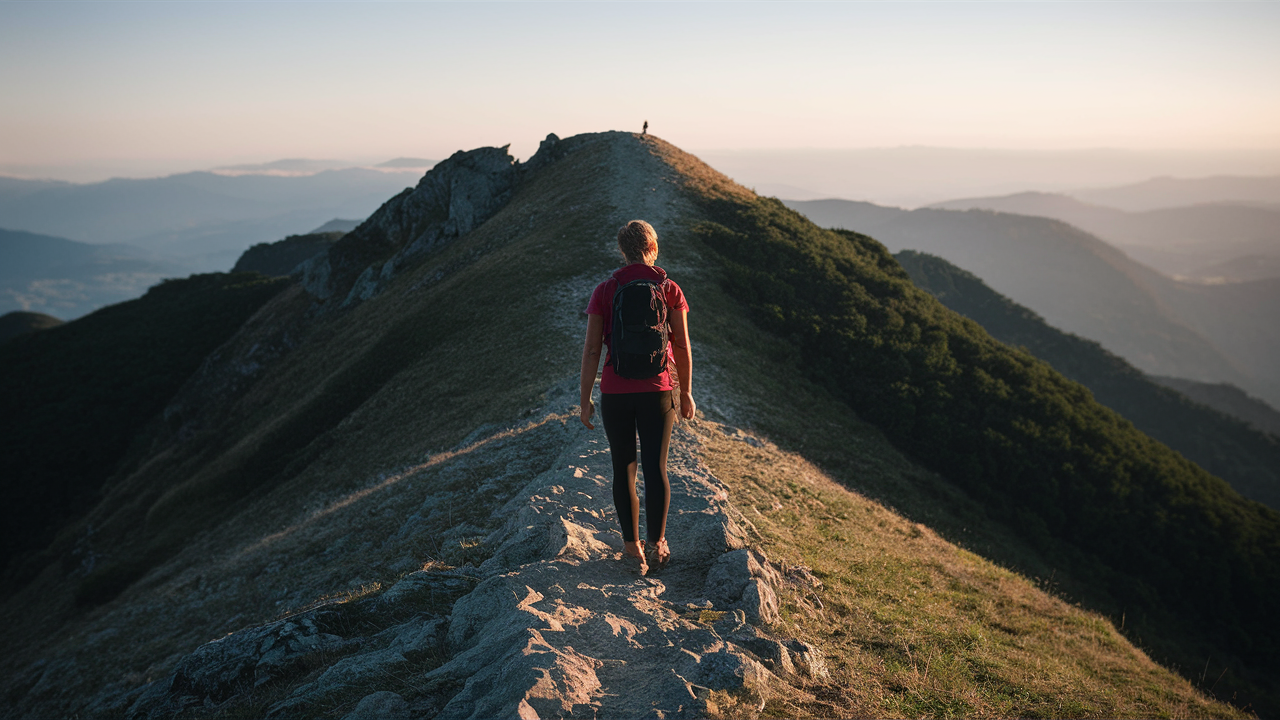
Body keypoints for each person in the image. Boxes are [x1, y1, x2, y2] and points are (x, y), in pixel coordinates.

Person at [580, 220, 695, 574]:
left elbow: (591, 350)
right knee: (656, 469)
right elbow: (682, 344)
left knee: (623, 469)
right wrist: (686, 392)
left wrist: (585, 398)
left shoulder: (605, 290)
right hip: (657, 391)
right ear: (651, 246)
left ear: (623, 250)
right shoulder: (668, 288)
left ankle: (632, 549)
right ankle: (657, 544)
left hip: (615, 391)